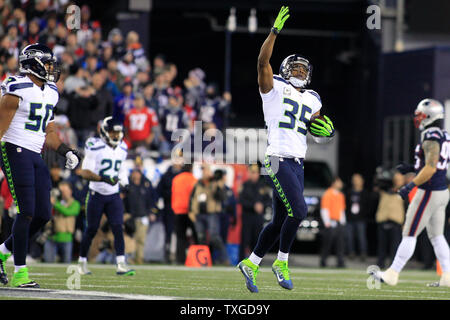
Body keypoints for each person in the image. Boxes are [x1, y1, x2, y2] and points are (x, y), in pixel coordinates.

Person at [237, 6, 335, 293]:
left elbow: (317, 125)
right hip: (276, 157)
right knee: (300, 211)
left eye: (303, 69)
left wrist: (324, 128)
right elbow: (261, 62)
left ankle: (252, 263)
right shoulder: (274, 87)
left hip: (298, 162)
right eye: (295, 68)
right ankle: (281, 262)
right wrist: (274, 32)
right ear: (284, 70)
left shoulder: (314, 98)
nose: (300, 72)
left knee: (281, 218)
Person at [0, 44, 82, 288]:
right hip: (14, 148)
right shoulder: (16, 87)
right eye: (47, 63)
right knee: (25, 211)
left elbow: (50, 131)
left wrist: (66, 150)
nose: (51, 68)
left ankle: (2, 251)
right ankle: (21, 272)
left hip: (36, 153)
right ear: (32, 63)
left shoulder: (51, 91)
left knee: (44, 213)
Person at [371, 99, 450, 287]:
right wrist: (412, 168)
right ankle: (447, 276)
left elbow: (431, 168)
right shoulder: (443, 134)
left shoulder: (430, 134)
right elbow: (433, 165)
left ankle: (393, 273)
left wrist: (410, 185)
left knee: (409, 232)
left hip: (429, 191)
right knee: (437, 236)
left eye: (421, 114)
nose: (418, 118)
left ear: (430, 116)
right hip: (441, 191)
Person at [77, 116, 135, 276]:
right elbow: (85, 172)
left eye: (118, 132)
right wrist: (103, 179)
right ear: (104, 132)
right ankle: (82, 262)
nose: (116, 135)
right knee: (92, 229)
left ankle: (121, 263)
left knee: (118, 227)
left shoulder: (122, 147)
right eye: (112, 132)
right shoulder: (95, 146)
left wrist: (125, 182)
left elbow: (121, 168)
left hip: (113, 195)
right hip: (96, 194)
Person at [189, 164, 229, 265]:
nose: (204, 172)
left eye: (205, 170)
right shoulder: (198, 183)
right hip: (199, 215)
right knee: (201, 238)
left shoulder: (214, 182)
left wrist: (217, 184)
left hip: (212, 214)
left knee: (214, 237)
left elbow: (221, 197)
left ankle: (224, 259)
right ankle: (204, 261)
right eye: (203, 170)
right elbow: (192, 198)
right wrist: (191, 211)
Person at [123, 169, 156, 264]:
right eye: (134, 173)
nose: (136, 175)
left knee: (141, 239)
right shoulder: (128, 185)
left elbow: (152, 200)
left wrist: (152, 212)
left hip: (143, 216)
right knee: (131, 238)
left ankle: (139, 258)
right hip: (130, 216)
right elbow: (122, 199)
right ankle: (130, 258)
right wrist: (124, 212)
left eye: (138, 173)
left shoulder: (146, 185)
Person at [374, 171, 405, 269]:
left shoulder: (404, 191)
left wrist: (405, 223)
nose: (397, 181)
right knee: (381, 245)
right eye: (395, 179)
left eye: (399, 179)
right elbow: (377, 187)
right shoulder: (385, 190)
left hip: (396, 222)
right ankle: (380, 263)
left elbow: (408, 208)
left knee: (395, 246)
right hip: (383, 220)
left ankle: (394, 265)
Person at [43, 181, 80, 263]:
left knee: (66, 264)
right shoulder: (54, 201)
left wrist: (55, 203)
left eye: (65, 191)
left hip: (66, 237)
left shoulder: (75, 204)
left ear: (71, 191)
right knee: (48, 263)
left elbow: (67, 212)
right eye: (61, 191)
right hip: (51, 236)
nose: (63, 193)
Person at [238, 164, 268, 262]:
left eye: (256, 172)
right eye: (253, 172)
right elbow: (241, 200)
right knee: (245, 239)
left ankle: (256, 262)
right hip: (247, 217)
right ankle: (241, 261)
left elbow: (268, 200)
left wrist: (262, 205)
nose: (255, 174)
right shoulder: (244, 186)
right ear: (249, 173)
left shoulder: (263, 185)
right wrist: (253, 205)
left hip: (258, 218)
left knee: (258, 240)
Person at [171, 163, 197, 265]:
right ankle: (196, 258)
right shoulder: (193, 180)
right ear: (191, 168)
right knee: (195, 236)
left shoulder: (176, 179)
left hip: (178, 210)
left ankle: (180, 259)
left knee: (180, 237)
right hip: (190, 211)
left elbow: (173, 194)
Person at [319, 176, 346, 268]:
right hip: (330, 222)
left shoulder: (341, 195)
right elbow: (324, 209)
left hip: (338, 223)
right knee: (327, 244)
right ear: (334, 183)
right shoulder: (328, 194)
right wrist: (327, 222)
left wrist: (343, 222)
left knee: (340, 244)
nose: (341, 184)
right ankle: (323, 261)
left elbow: (341, 210)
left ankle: (340, 262)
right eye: (339, 182)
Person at [345, 173, 370, 261]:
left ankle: (363, 253)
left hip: (361, 219)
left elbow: (368, 207)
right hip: (350, 219)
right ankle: (351, 253)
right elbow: (346, 206)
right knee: (349, 237)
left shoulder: (365, 193)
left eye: (358, 180)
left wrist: (364, 215)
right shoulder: (349, 193)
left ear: (362, 181)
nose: (356, 182)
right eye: (354, 180)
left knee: (361, 237)